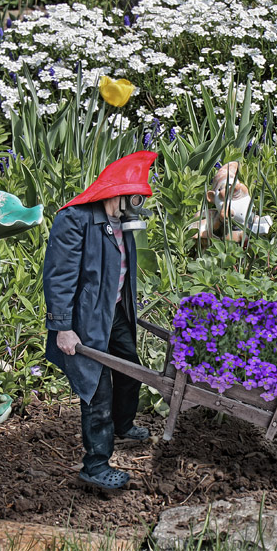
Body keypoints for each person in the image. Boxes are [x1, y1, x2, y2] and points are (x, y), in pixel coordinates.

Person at [43, 150, 158, 489]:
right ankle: (95, 467)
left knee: (130, 371)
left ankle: (122, 426)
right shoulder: (75, 219)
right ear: (113, 193)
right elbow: (59, 276)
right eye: (128, 198)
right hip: (84, 320)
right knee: (97, 392)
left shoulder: (118, 220)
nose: (131, 207)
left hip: (114, 312)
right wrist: (63, 327)